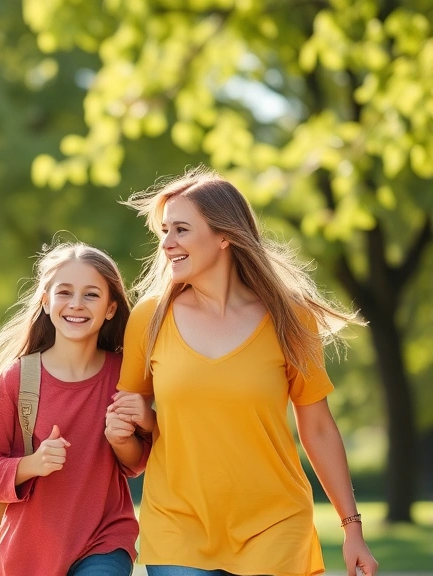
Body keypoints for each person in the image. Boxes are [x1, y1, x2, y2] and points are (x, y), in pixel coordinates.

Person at [107, 167, 379, 576]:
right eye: (164, 230)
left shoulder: (290, 318)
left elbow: (318, 428)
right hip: (178, 526)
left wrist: (352, 529)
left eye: (181, 229)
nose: (166, 243)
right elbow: (131, 437)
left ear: (224, 236)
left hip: (275, 525)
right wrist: (128, 429)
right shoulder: (150, 317)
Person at [0, 240, 143, 576]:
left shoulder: (125, 374)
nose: (76, 304)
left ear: (110, 308)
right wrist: (32, 464)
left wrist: (123, 440)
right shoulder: (19, 379)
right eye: (64, 292)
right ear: (46, 302)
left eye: (91, 294)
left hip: (105, 540)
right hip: (30, 552)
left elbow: (136, 463)